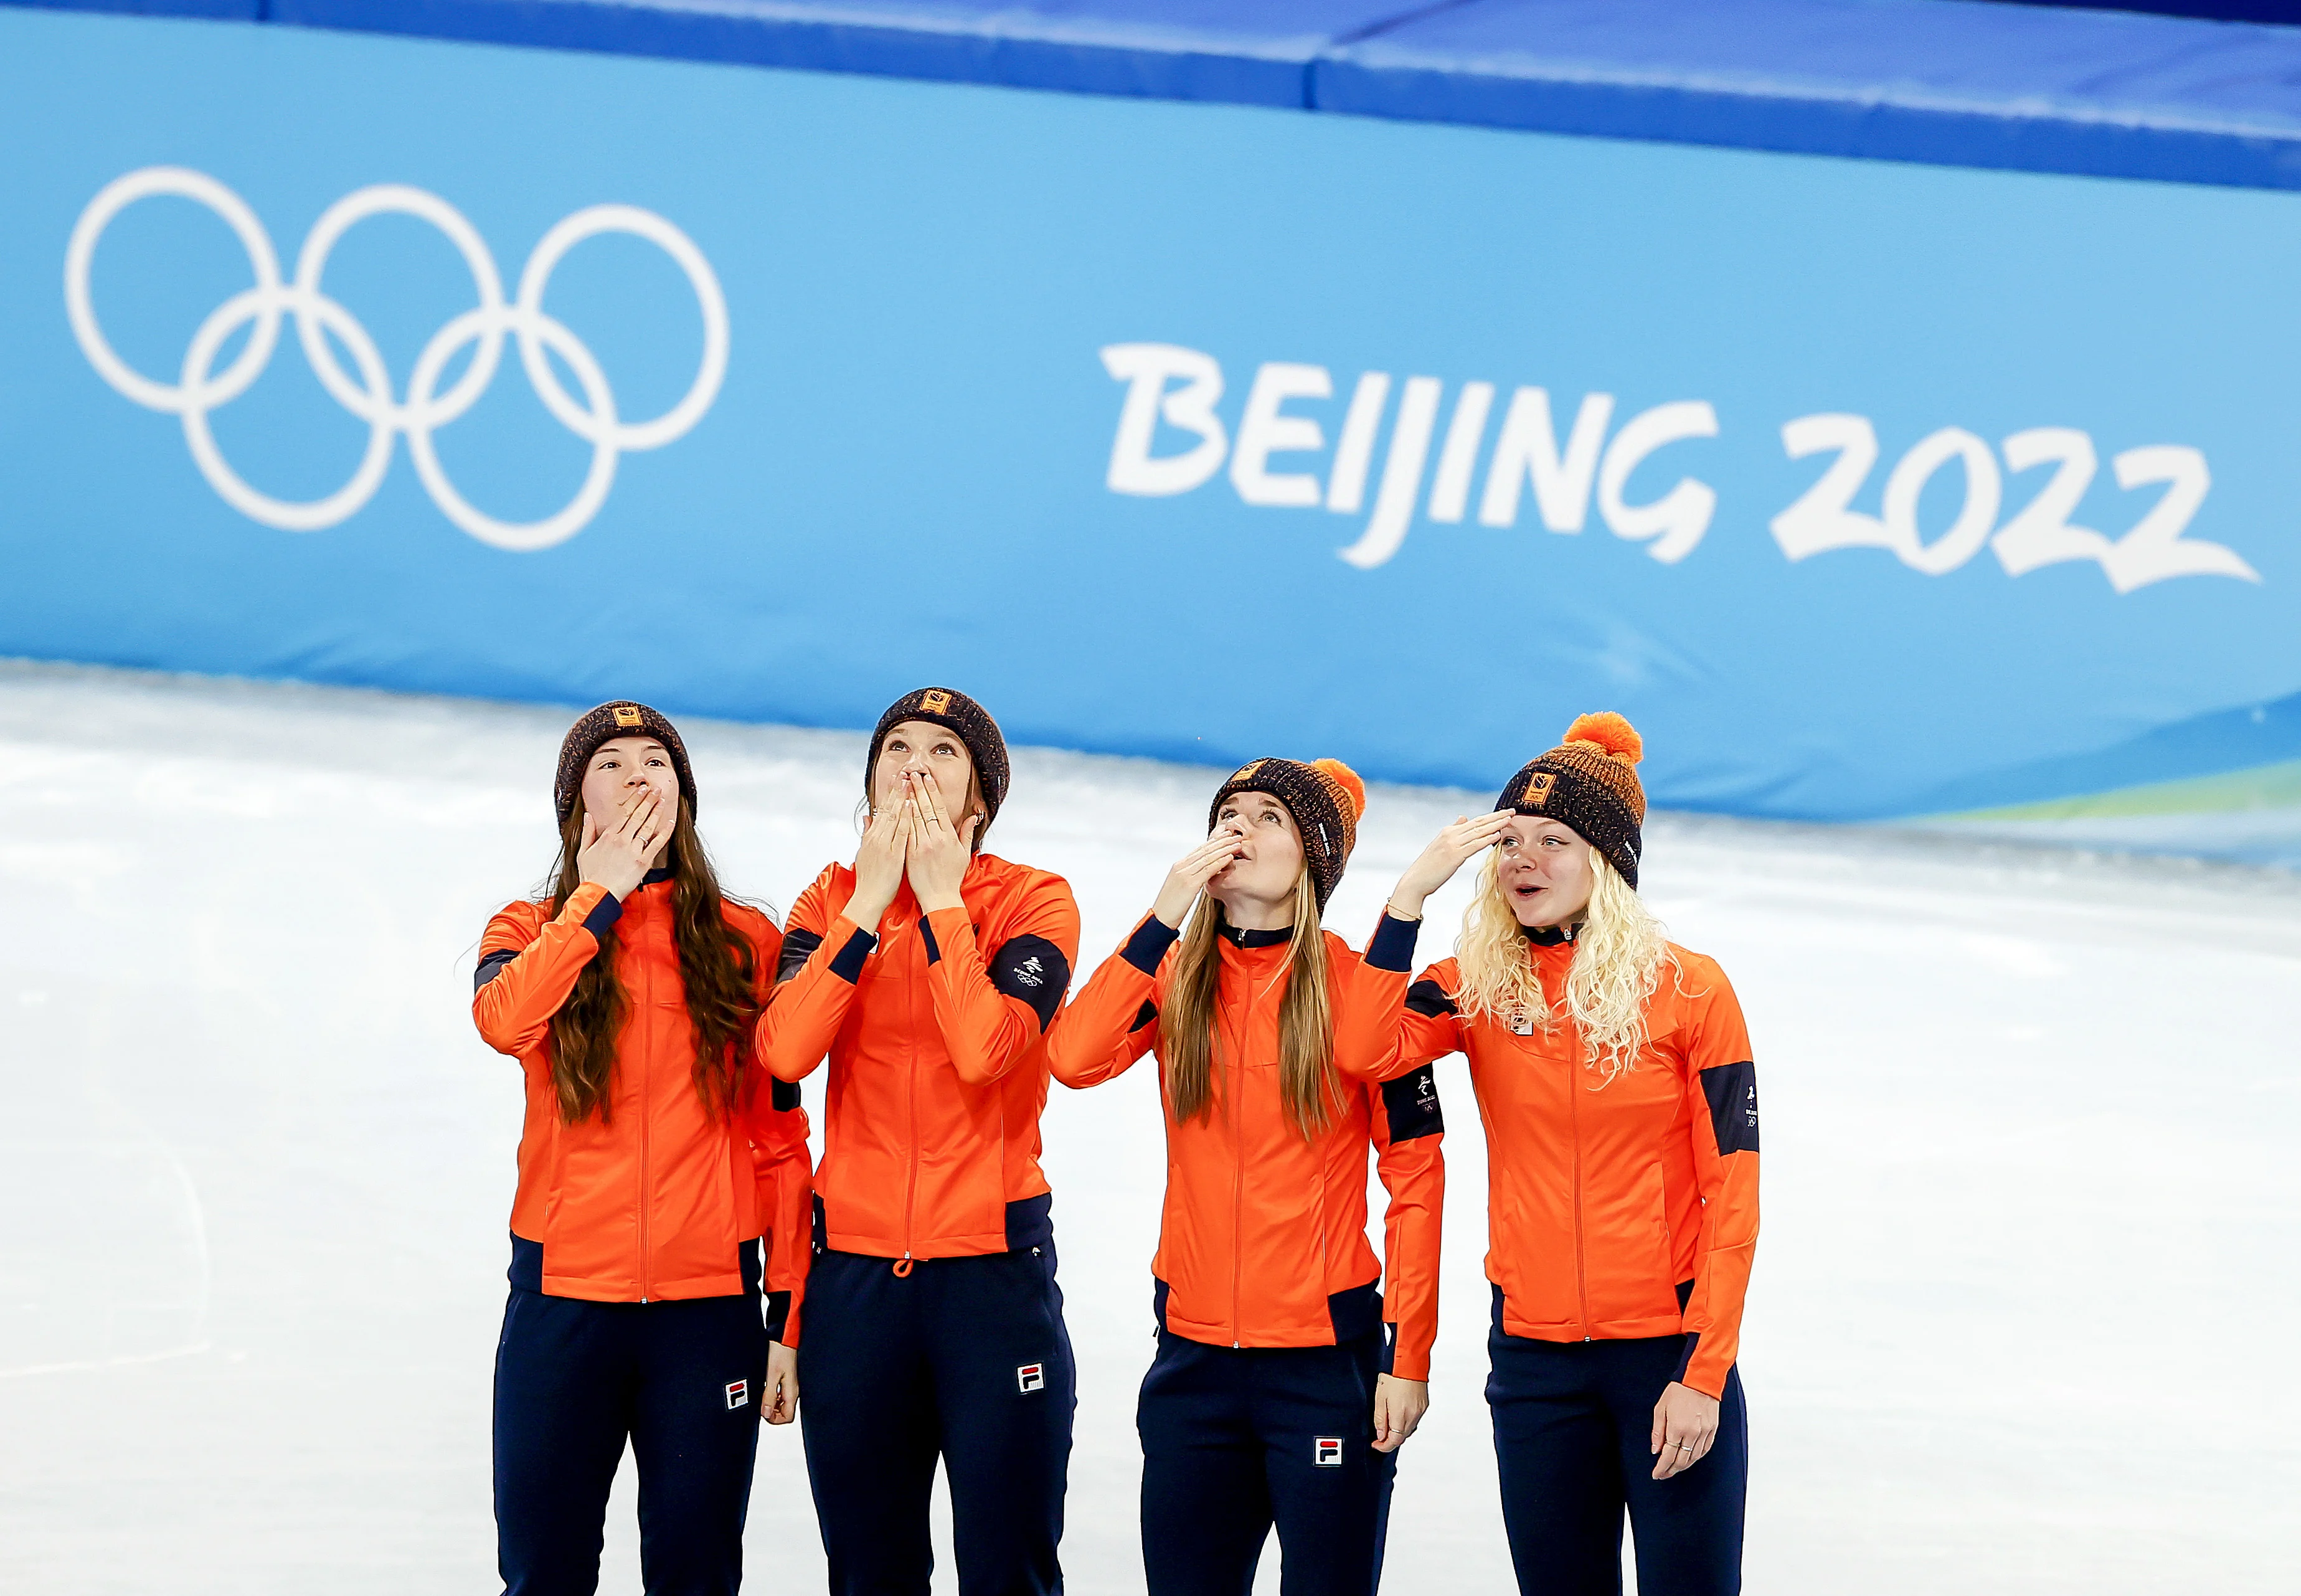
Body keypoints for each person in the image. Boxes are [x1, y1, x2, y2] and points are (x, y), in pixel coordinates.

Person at [1362, 712, 1759, 1596]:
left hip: (1665, 1355)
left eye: (1554, 840)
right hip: (1535, 1365)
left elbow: (1734, 1192)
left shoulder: (1692, 989)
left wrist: (1703, 1374)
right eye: (1510, 841)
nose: (1522, 860)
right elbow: (1362, 1048)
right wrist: (1407, 901)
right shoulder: (1472, 983)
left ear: (1607, 862)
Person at [1043, 756, 1455, 1596]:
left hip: (1324, 1369)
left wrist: (1407, 1353)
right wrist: (1163, 911)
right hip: (1192, 1363)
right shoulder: (1173, 979)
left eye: (1267, 815)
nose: (1239, 828)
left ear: (1311, 855)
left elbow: (1417, 1180)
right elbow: (1071, 1056)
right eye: (1228, 812)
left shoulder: (1361, 988)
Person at [473, 701, 813, 1596]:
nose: (637, 776)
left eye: (656, 761)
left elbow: (780, 1140)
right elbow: (504, 1023)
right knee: (543, 1573)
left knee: (697, 1575)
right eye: (611, 762)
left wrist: (789, 1312)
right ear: (574, 803)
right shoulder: (524, 930)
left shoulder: (746, 943)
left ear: (684, 795)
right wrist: (596, 899)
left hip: (705, 1314)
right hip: (563, 1302)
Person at [758, 687, 1082, 1596]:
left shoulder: (1033, 901)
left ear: (980, 797)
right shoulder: (829, 898)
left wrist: (943, 904)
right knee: (868, 1570)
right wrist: (865, 908)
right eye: (895, 745)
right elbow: (783, 1049)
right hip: (855, 1282)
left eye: (942, 751)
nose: (913, 763)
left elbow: (986, 1052)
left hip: (990, 1276)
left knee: (1006, 1568)